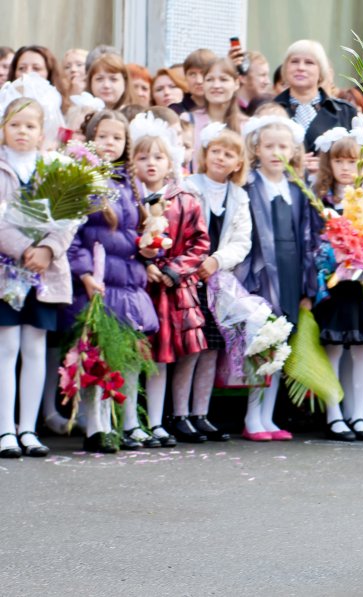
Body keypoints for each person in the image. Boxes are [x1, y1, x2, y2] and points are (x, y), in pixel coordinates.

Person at [66, 110, 160, 452]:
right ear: (91, 138)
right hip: (99, 280)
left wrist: (149, 250)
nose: (110, 143)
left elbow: (134, 231)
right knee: (98, 355)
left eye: (117, 138)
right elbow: (72, 235)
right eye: (103, 136)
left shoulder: (128, 181)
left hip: (129, 281)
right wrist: (85, 273)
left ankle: (125, 422)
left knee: (130, 354)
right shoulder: (80, 178)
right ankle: (96, 425)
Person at [130, 111, 211, 448]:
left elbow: (200, 243)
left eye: (158, 156)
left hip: (173, 288)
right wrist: (141, 264)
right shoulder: (128, 198)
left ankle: (158, 419)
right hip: (139, 288)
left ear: (171, 161)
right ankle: (132, 421)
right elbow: (121, 238)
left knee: (164, 356)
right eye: (143, 156)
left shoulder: (185, 199)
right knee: (139, 355)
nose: (151, 163)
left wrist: (173, 269)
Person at [0, 97, 74, 458]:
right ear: (3, 128)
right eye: (14, 124)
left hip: (44, 274)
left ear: (42, 130)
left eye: (30, 126)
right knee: (6, 348)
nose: (22, 132)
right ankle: (5, 430)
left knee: (34, 348)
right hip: (6, 273)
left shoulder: (55, 168)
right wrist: (20, 248)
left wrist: (46, 250)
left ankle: (28, 429)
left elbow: (70, 218)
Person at [238, 115, 319, 440]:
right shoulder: (249, 184)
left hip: (290, 271)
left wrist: (307, 287)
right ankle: (251, 416)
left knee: (281, 345)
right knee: (261, 344)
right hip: (259, 273)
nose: (276, 152)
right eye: (268, 146)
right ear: (256, 149)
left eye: (283, 146)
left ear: (294, 150)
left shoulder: (297, 188)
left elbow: (309, 238)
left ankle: (268, 417)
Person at [176, 124, 251, 443]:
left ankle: (200, 413)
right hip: (187, 278)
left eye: (230, 153)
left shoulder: (239, 195)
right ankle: (178, 413)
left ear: (238, 163)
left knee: (210, 349)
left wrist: (217, 261)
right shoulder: (188, 186)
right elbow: (179, 228)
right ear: (205, 155)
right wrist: (195, 262)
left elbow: (241, 241)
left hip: (217, 280)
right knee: (190, 349)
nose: (221, 157)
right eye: (216, 151)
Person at [311, 126, 363, 442]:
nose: (345, 168)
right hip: (335, 286)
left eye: (352, 161)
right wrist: (334, 254)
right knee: (334, 350)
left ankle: (358, 414)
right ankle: (334, 414)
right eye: (338, 161)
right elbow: (314, 245)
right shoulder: (321, 201)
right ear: (329, 164)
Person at [274, 40, 357, 158]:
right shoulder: (268, 110)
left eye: (309, 62)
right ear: (285, 68)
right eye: (294, 61)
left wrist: (325, 166)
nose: (301, 67)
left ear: (321, 71)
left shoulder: (345, 112)